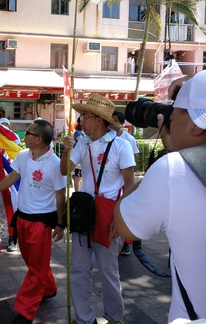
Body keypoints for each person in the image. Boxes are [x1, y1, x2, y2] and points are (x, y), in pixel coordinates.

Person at [115, 70, 206, 323]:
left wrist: (169, 157)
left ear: (196, 124)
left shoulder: (174, 170)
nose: (167, 118)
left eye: (175, 110)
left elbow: (126, 227)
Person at [0, 119, 67, 324]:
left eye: (28, 132)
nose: (24, 135)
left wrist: (60, 224)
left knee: (36, 268)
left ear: (38, 139)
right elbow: (12, 177)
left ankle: (25, 311)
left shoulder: (55, 164)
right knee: (33, 263)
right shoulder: (23, 156)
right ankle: (49, 288)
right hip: (23, 218)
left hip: (42, 222)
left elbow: (60, 196)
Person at [60, 94, 135, 324]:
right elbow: (65, 171)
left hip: (109, 213)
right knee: (79, 269)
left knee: (108, 273)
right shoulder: (82, 143)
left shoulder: (121, 145)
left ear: (99, 120)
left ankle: (114, 317)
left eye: (85, 117)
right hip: (84, 212)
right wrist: (66, 150)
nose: (80, 121)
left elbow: (130, 185)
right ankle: (84, 318)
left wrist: (120, 219)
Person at [109, 110, 139, 256]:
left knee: (125, 207)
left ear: (121, 123)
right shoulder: (107, 138)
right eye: (110, 120)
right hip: (114, 178)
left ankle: (127, 242)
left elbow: (134, 157)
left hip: (125, 178)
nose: (112, 123)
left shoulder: (128, 139)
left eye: (115, 120)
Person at [73, 117, 86, 192]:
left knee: (81, 176)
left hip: (84, 156)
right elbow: (82, 141)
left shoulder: (84, 133)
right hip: (80, 156)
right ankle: (77, 191)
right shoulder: (77, 132)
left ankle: (80, 190)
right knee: (78, 176)